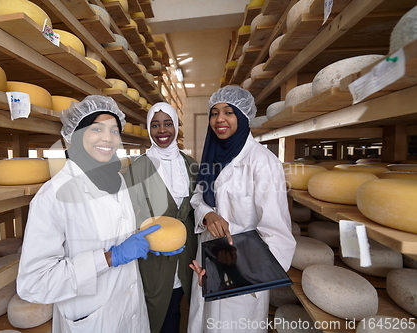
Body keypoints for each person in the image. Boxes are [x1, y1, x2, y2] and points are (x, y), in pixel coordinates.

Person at [16, 95, 160, 333]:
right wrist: (109, 258)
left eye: (115, 130)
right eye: (96, 129)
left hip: (131, 310)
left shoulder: (117, 181)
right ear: (76, 135)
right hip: (92, 320)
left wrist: (146, 240)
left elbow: (113, 231)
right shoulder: (52, 196)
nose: (108, 137)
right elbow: (34, 283)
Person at [187, 86, 296, 333]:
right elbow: (198, 197)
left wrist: (239, 273)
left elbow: (277, 234)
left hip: (244, 273)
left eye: (228, 112)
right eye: (214, 113)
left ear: (243, 116)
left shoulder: (263, 163)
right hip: (209, 263)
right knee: (204, 324)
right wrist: (207, 215)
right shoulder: (210, 156)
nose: (219, 119)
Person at [124, 102, 198, 333]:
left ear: (176, 126)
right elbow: (127, 213)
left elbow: (199, 206)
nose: (162, 131)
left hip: (186, 252)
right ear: (148, 129)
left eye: (168, 124)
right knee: (154, 309)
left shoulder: (191, 165)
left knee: (176, 306)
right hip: (153, 255)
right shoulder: (138, 168)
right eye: (155, 125)